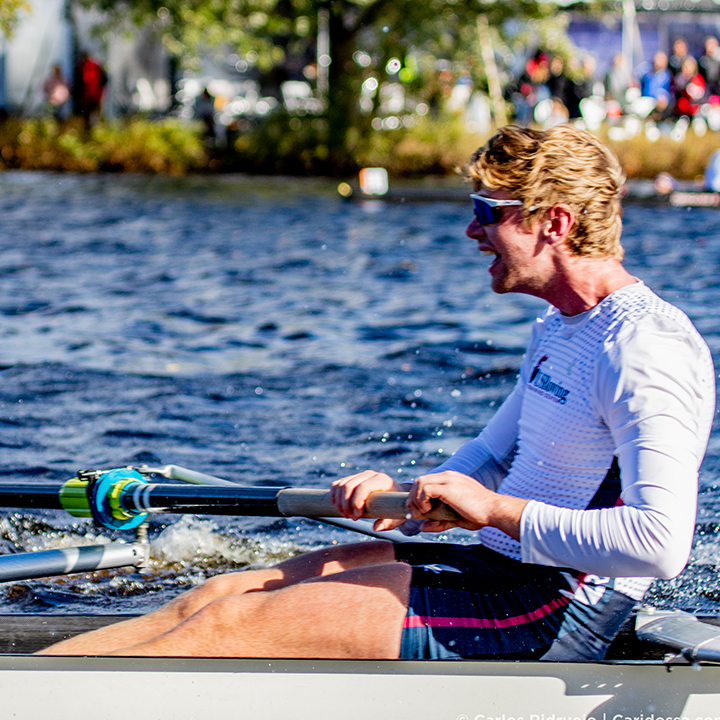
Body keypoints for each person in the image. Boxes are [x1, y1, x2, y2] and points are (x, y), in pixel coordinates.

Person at [37, 125, 715, 661]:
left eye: (488, 212)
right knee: (216, 595)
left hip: (550, 607)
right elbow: (485, 458)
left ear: (555, 223)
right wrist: (418, 494)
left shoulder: (645, 348)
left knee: (233, 624)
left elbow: (660, 544)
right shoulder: (561, 327)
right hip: (497, 567)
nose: (472, 230)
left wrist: (489, 509)